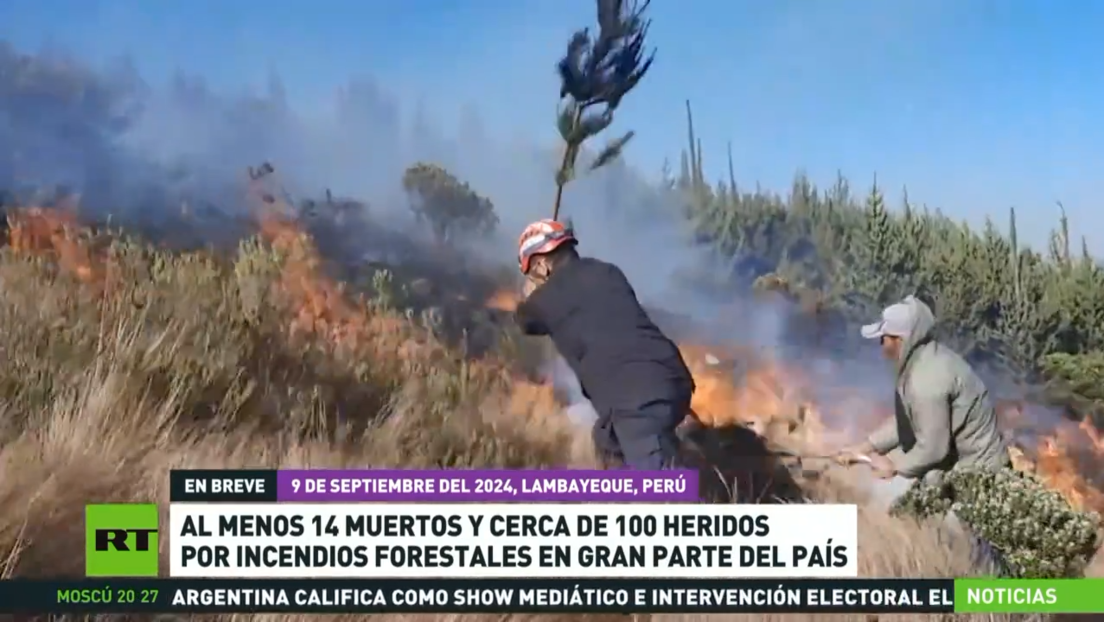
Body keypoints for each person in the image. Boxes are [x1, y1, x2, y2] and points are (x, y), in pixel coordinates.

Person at [513, 218, 696, 470]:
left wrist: (529, 295)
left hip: (637, 397)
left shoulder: (547, 296)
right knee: (608, 442)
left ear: (543, 266)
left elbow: (525, 321)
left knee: (661, 492)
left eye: (531, 270)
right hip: (670, 377)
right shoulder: (607, 271)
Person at [835, 295, 1011, 482]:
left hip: (982, 474)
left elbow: (933, 449)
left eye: (883, 339)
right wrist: (865, 448)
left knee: (934, 495)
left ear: (900, 340)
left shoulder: (926, 378)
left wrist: (894, 466)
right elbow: (911, 418)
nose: (881, 346)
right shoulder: (923, 359)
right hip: (962, 465)